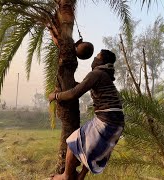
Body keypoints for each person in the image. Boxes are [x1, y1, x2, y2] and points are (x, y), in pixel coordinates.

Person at [49, 49, 124, 180]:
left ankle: (66, 176)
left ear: (102, 61)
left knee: (74, 140)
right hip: (117, 122)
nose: (94, 58)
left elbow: (74, 93)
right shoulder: (105, 75)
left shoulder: (97, 73)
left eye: (97, 57)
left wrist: (55, 96)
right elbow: (82, 87)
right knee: (92, 149)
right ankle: (81, 176)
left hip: (107, 119)